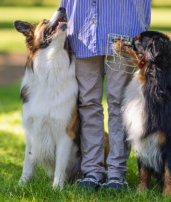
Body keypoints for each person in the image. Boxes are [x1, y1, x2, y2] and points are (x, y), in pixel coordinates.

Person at [60, 0, 152, 191]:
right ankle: (92, 170)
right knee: (88, 103)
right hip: (82, 28)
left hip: (122, 25)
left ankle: (116, 173)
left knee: (119, 104)